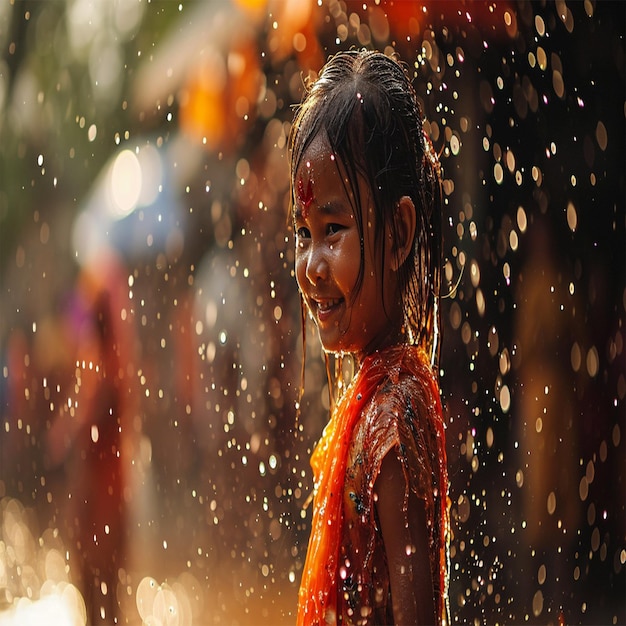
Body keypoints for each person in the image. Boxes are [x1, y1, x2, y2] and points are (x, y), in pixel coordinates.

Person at [288, 50, 450, 625]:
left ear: (399, 233)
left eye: (333, 229)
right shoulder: (373, 399)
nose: (310, 264)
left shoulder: (393, 416)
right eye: (303, 233)